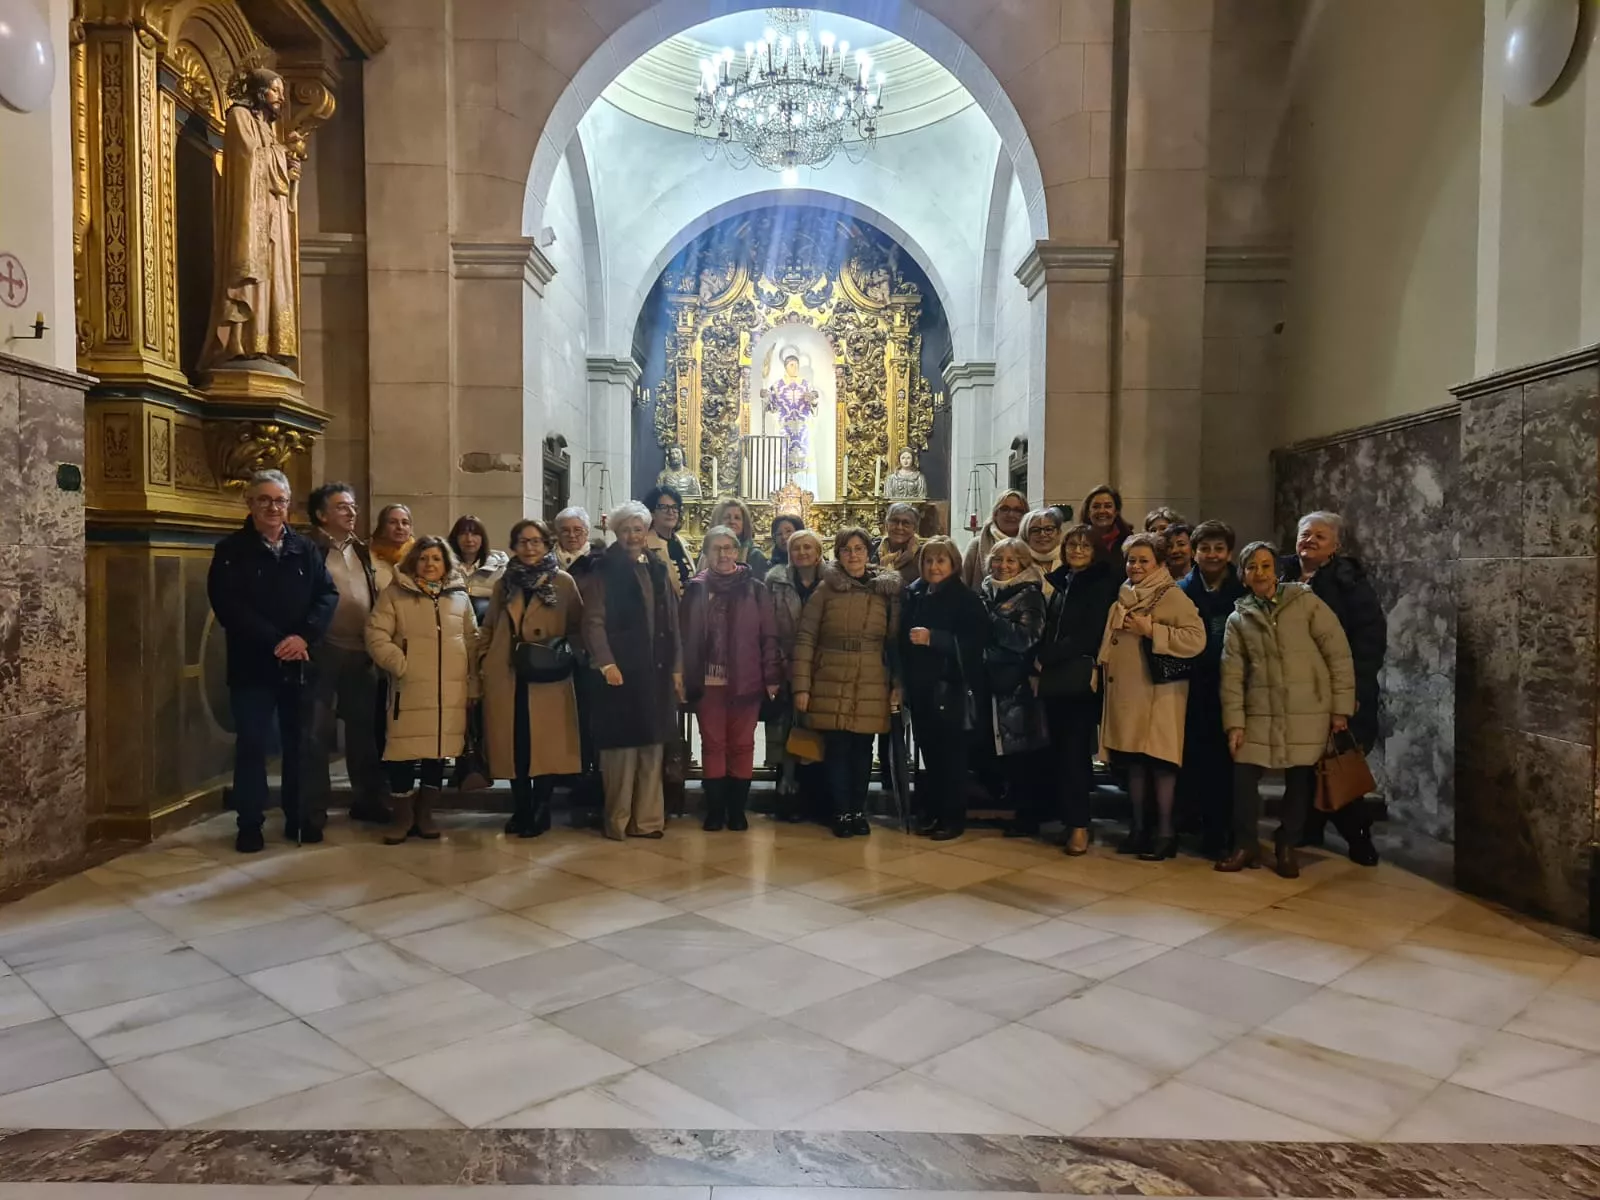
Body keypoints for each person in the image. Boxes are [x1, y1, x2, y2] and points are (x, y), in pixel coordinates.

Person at [207, 470, 339, 853]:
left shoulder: (305, 548)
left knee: (301, 744)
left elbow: (327, 595)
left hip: (299, 663)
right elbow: (229, 606)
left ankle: (299, 818)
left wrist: (303, 637)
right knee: (253, 746)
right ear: (249, 503)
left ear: (288, 504)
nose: (272, 507)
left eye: (279, 500)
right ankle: (250, 824)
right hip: (253, 665)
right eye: (264, 499)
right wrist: (276, 641)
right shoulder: (231, 550)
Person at [1220, 541, 1356, 878]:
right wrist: (1234, 723)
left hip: (1307, 708)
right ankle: (1246, 843)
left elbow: (1338, 655)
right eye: (1252, 567)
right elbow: (1232, 674)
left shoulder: (1306, 603)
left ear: (1277, 570)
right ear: (1243, 575)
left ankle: (1286, 844)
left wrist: (1340, 708)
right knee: (1242, 778)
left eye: (1266, 565)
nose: (1260, 573)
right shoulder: (1238, 618)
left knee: (1299, 779)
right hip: (1258, 711)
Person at [1280, 511, 1387, 866]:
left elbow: (1368, 641)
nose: (1309, 540)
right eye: (1304, 534)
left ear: (1336, 545)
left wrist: (1347, 694)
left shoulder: (1348, 582)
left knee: (1338, 764)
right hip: (1294, 690)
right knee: (1304, 764)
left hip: (1338, 690)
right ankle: (1307, 827)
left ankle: (1358, 837)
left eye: (1319, 537)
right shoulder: (1281, 574)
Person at [1096, 533, 1206, 860]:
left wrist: (1152, 631)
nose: (1136, 566)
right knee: (1134, 766)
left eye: (1144, 560)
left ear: (1159, 564)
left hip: (1159, 696)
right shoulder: (1124, 595)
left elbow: (1196, 638)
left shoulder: (1170, 596)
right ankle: (1139, 829)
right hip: (1129, 694)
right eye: (1132, 560)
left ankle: (1166, 834)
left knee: (1160, 766)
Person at [581, 501, 684, 840]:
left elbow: (671, 619)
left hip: (654, 672)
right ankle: (619, 821)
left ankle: (649, 820)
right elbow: (593, 621)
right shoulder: (602, 569)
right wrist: (606, 662)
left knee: (652, 749)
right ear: (617, 533)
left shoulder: (656, 567)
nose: (633, 535)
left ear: (646, 532)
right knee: (621, 754)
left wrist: (676, 666)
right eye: (626, 529)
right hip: (620, 673)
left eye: (638, 529)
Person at [366, 536, 477, 844]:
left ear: (446, 564)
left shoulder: (459, 597)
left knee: (437, 755)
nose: (430, 564)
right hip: (409, 690)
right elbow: (376, 634)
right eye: (424, 558)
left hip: (450, 693)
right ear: (414, 560)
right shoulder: (395, 595)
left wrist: (472, 684)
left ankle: (425, 814)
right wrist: (402, 664)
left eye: (436, 559)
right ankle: (403, 816)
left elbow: (472, 640)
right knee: (402, 754)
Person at [476, 519, 583, 839]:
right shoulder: (504, 583)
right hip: (508, 673)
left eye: (536, 541)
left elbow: (577, 627)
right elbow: (490, 625)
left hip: (547, 675)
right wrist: (484, 657)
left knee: (545, 746)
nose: (529, 548)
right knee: (515, 744)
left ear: (547, 545)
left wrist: (562, 653)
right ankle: (521, 806)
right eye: (523, 542)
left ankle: (541, 808)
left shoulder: (562, 582)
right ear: (514, 546)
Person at [792, 527, 901, 838]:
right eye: (846, 550)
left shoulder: (885, 591)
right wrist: (802, 686)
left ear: (869, 552)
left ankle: (857, 810)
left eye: (859, 549)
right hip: (831, 676)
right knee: (838, 749)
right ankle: (841, 811)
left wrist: (897, 683)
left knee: (863, 750)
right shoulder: (825, 590)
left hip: (870, 678)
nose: (853, 555)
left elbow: (893, 642)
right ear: (837, 555)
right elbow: (805, 639)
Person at [682, 526, 782, 832]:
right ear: (707, 553)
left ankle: (737, 811)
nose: (723, 554)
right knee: (712, 744)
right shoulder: (696, 587)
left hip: (746, 678)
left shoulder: (755, 588)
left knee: (742, 744)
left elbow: (769, 635)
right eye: (716, 548)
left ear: (738, 552)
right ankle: (715, 810)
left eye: (728, 548)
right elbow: (684, 636)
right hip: (707, 680)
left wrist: (772, 675)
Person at [303, 482, 390, 833]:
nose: (351, 512)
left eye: (352, 506)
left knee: (364, 732)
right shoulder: (308, 548)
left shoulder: (363, 550)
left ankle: (369, 801)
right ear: (322, 514)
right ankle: (311, 812)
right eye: (342, 507)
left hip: (360, 650)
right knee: (315, 733)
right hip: (322, 649)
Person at [1037, 524, 1122, 855]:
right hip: (1058, 680)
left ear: (1096, 550)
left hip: (1078, 681)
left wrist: (1046, 656)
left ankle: (1080, 827)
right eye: (1072, 544)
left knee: (1073, 754)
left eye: (1084, 546)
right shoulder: (1063, 581)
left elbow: (1089, 634)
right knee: (1060, 753)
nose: (1076, 550)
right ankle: (1069, 820)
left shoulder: (1101, 584)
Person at [900, 537, 987, 840]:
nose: (933, 566)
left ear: (953, 564)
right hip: (921, 689)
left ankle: (952, 818)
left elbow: (975, 645)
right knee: (930, 756)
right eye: (928, 561)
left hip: (950, 690)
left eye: (940, 561)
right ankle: (933, 811)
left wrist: (934, 638)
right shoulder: (914, 594)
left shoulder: (965, 599)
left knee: (951, 758)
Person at [1177, 520, 1247, 857]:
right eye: (1205, 548)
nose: (1212, 555)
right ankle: (1195, 826)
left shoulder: (1243, 589)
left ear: (1229, 552)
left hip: (1231, 687)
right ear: (1194, 552)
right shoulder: (1180, 590)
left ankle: (1222, 832)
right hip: (1190, 687)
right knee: (1193, 760)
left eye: (1219, 548)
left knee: (1226, 766)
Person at [982, 538, 1052, 838]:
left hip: (1018, 685)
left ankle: (1028, 815)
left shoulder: (1029, 595)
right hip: (991, 682)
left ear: (1023, 565)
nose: (1003, 565)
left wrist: (991, 620)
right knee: (1000, 750)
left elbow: (1025, 639)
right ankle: (1009, 805)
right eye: (998, 559)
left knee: (1023, 751)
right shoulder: (986, 590)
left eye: (1011, 561)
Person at [767, 528, 827, 822]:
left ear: (818, 552)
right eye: (796, 548)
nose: (802, 553)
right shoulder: (776, 581)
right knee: (785, 731)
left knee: (817, 731)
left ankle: (815, 797)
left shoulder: (833, 582)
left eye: (807, 547)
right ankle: (786, 796)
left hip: (822, 667)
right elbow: (768, 627)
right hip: (785, 664)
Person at [961, 489, 1029, 587]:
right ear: (995, 514)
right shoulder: (976, 545)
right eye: (1005, 509)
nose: (1011, 514)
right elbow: (963, 584)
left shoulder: (1031, 544)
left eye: (1018, 510)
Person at [449, 515, 509, 625]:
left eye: (475, 534)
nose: (469, 539)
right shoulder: (445, 567)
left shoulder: (499, 569)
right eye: (463, 534)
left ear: (483, 538)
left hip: (487, 628)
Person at [643, 485, 692, 597]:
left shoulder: (681, 542)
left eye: (675, 507)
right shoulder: (645, 545)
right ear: (652, 513)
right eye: (664, 507)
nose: (671, 512)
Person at [709, 497, 769, 580]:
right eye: (727, 517)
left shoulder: (755, 556)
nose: (732, 521)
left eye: (737, 518)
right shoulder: (707, 553)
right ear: (718, 522)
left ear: (744, 524)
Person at [369, 504, 414, 593]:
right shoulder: (369, 558)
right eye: (393, 522)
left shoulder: (419, 556)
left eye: (405, 523)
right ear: (382, 528)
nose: (400, 527)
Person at [875, 503, 922, 587]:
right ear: (886, 525)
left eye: (906, 523)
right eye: (895, 521)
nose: (899, 527)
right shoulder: (872, 549)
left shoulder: (922, 555)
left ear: (914, 528)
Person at [1085, 485, 1133, 565]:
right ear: (1088, 512)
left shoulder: (1130, 541)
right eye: (1096, 506)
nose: (1101, 511)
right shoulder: (1078, 541)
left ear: (1116, 512)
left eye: (1108, 506)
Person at [1019, 508, 1064, 595]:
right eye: (1035, 530)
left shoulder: (1069, 561)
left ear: (1058, 532)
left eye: (1048, 529)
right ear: (1025, 534)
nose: (1042, 534)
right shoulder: (1017, 562)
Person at [553, 506, 598, 575]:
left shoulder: (599, 560)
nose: (572, 535)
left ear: (587, 532)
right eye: (565, 530)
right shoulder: (546, 559)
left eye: (577, 530)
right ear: (558, 534)